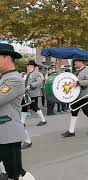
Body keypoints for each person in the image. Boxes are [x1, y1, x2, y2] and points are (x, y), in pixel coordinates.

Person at [0, 43, 36, 180]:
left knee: (17, 173)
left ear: (7, 58)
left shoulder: (14, 79)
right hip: (3, 133)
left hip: (8, 134)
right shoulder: (4, 77)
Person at [61, 59, 88, 137]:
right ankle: (71, 131)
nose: (75, 63)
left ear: (81, 62)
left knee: (86, 111)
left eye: (76, 62)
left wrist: (77, 83)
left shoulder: (87, 70)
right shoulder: (76, 72)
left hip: (85, 95)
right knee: (74, 111)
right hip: (76, 96)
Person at [21, 60, 47, 149]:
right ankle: (23, 121)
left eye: (28, 66)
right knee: (28, 107)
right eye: (27, 66)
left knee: (34, 106)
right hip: (26, 94)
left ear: (32, 66)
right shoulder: (26, 74)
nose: (27, 67)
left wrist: (31, 85)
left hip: (33, 93)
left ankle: (43, 120)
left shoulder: (37, 73)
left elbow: (40, 81)